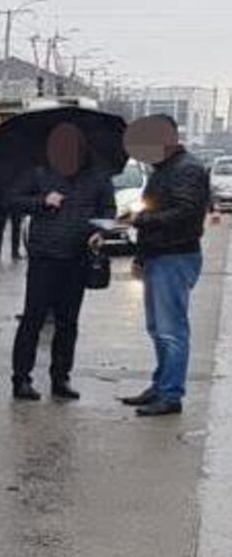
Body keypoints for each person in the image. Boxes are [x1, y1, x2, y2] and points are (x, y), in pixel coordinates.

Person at [6, 125, 113, 401]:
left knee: (68, 322)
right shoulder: (39, 171)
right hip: (45, 257)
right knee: (33, 319)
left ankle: (61, 378)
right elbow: (13, 200)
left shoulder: (98, 176)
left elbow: (108, 210)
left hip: (77, 257)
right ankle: (21, 379)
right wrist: (42, 201)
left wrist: (100, 232)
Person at [120, 115, 208, 416]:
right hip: (159, 254)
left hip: (176, 255)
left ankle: (170, 394)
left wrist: (141, 220)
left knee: (172, 330)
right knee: (158, 328)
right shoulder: (164, 170)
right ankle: (161, 385)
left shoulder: (188, 170)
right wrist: (141, 254)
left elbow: (185, 212)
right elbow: (157, 209)